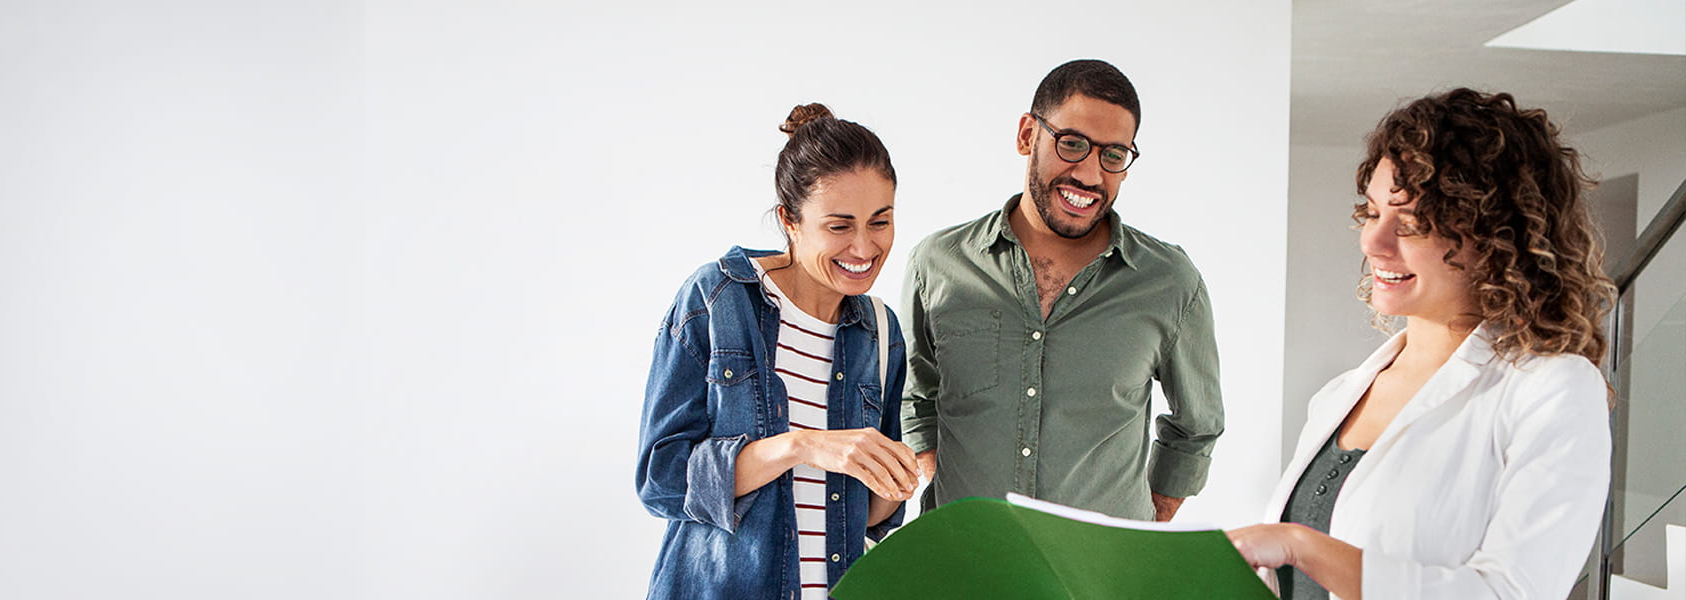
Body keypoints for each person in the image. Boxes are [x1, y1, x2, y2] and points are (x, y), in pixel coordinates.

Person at [1227, 88, 1616, 599]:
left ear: (1498, 239)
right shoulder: (1340, 394)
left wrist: (1303, 546)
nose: (1373, 242)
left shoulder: (1552, 389)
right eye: (1372, 213)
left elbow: (1515, 592)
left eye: (1410, 223)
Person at [901, 59, 1224, 521]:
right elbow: (917, 395)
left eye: (1113, 155)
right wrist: (945, 492)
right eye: (1072, 144)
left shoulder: (1169, 281)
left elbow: (1197, 426)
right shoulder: (938, 264)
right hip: (967, 561)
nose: (1090, 176)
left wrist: (1136, 523)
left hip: (1102, 575)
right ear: (1027, 135)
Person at [636, 103, 920, 600]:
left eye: (880, 222)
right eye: (839, 226)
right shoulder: (716, 300)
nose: (864, 247)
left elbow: (872, 519)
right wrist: (802, 445)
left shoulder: (879, 330)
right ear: (790, 220)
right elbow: (661, 479)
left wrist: (898, 478)